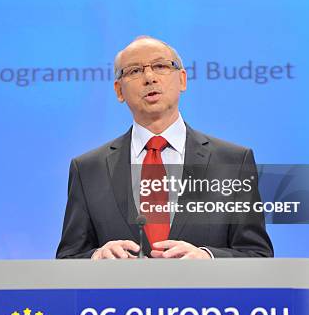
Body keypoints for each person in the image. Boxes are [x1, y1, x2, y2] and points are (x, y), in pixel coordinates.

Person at [56, 36, 273, 260]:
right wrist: (96, 257)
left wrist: (209, 258)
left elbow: (257, 254)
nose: (149, 78)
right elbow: (68, 257)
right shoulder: (88, 169)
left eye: (160, 66)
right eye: (134, 71)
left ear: (182, 79)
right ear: (119, 90)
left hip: (204, 294)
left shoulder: (233, 162)